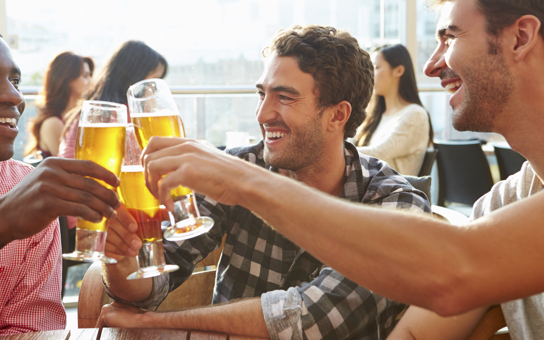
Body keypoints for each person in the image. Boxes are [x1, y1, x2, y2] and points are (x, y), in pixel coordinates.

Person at [136, 0, 544, 334]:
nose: (431, 66)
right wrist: (125, 262)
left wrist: (243, 180)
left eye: (449, 36)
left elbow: (452, 268)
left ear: (520, 38)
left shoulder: (397, 195)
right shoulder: (504, 204)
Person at [99, 25, 430, 340]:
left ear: (337, 115)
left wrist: (155, 324)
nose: (262, 114)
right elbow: (155, 281)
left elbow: (308, 321)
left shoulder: (396, 204)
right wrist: (121, 260)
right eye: (262, 93)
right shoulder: (241, 165)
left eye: (284, 97)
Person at [0, 21, 121, 338]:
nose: (14, 97)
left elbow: (29, 329)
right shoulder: (25, 200)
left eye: (16, 81)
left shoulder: (28, 189)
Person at [57, 41, 167, 236]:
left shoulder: (91, 110)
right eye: (152, 82)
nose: (154, 92)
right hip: (94, 216)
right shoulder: (123, 115)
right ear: (135, 78)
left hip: (70, 213)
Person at [354, 44, 433, 176]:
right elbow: (353, 142)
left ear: (398, 71)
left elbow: (379, 153)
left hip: (392, 194)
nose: (370, 74)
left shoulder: (415, 114)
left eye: (376, 67)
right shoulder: (375, 115)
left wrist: (334, 152)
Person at [24, 52, 94, 158]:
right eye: (85, 76)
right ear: (67, 79)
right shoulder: (53, 123)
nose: (90, 81)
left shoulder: (78, 118)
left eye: (90, 76)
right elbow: (71, 167)